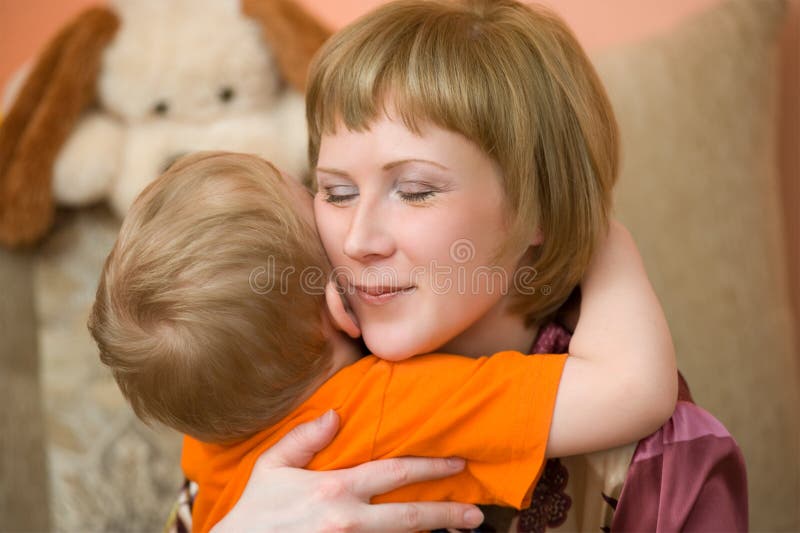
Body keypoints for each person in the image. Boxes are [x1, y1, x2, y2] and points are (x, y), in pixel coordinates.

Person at [209, 0, 747, 531]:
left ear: (538, 207)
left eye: (416, 191)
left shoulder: (657, 461)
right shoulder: (278, 373)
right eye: (337, 191)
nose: (358, 240)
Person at [89, 150, 674, 533]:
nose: (358, 232)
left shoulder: (211, 427)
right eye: (327, 200)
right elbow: (633, 389)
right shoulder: (386, 408)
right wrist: (606, 238)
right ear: (340, 303)